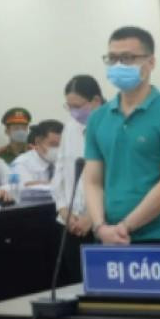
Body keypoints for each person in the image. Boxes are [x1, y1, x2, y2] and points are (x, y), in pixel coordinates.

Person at [84, 26, 160, 245]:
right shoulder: (98, 117)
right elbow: (93, 181)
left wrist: (125, 227)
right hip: (107, 236)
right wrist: (100, 227)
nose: (118, 65)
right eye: (112, 58)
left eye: (127, 58)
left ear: (151, 62)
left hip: (159, 236)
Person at [52, 75, 103, 283]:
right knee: (76, 284)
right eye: (69, 106)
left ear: (96, 101)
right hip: (70, 221)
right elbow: (60, 169)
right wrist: (63, 208)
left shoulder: (113, 126)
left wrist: (92, 217)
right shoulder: (70, 127)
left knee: (100, 284)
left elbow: (114, 177)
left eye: (78, 106)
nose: (73, 112)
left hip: (101, 223)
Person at [11, 120, 63, 185]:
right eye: (53, 144)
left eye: (61, 145)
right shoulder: (22, 163)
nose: (58, 149)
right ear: (38, 142)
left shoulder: (65, 161)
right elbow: (26, 186)